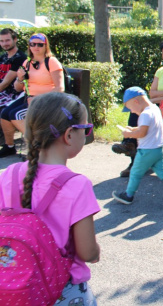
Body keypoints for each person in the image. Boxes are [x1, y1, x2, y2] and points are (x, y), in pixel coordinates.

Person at [0, 92, 101, 305]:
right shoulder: (77, 184)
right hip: (62, 290)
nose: (87, 135)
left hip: (14, 284)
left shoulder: (10, 173)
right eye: (86, 129)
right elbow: (86, 251)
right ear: (69, 135)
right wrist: (95, 253)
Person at [112, 37, 163, 176]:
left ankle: (134, 149)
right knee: (135, 112)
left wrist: (159, 96)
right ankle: (129, 146)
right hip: (157, 106)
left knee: (146, 115)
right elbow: (151, 93)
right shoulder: (160, 71)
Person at [111, 87, 163, 205]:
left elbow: (142, 133)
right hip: (159, 149)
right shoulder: (154, 109)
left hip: (146, 151)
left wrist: (129, 134)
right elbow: (148, 128)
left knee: (135, 172)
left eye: (130, 108)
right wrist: (134, 129)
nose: (131, 112)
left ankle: (128, 195)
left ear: (136, 101)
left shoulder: (145, 114)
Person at [0, 33, 65, 158]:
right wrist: (19, 78)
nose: (36, 47)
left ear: (45, 46)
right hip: (29, 97)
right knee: (4, 114)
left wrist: (38, 98)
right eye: (32, 44)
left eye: (40, 44)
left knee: (16, 115)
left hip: (47, 100)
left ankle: (39, 147)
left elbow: (60, 88)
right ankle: (9, 147)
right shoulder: (28, 62)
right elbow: (18, 87)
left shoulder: (51, 62)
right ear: (29, 46)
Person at [0, 28, 27, 117]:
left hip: (11, 95)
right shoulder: (3, 57)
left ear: (15, 39)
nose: (5, 44)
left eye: (7, 40)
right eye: (2, 41)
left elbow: (5, 83)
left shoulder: (20, 58)